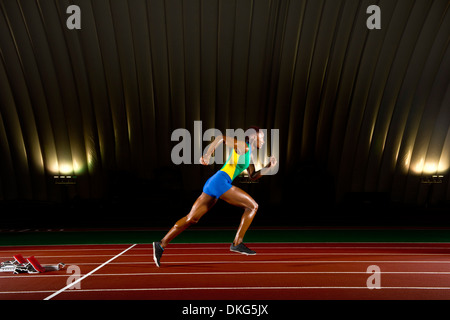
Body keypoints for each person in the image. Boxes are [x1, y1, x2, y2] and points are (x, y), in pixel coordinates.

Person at [152, 127, 277, 267]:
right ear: (254, 137)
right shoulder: (243, 146)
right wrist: (207, 154)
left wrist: (268, 166)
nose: (264, 140)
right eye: (262, 137)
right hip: (220, 181)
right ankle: (237, 243)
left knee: (191, 218)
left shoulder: (251, 154)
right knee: (253, 206)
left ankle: (161, 244)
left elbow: (253, 176)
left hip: (214, 183)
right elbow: (221, 138)